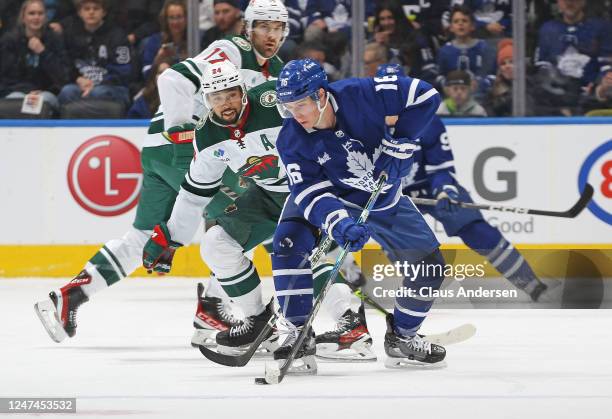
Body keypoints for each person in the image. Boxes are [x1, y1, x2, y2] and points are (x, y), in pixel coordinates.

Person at [34, 0, 290, 349]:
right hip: (183, 152)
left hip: (163, 153)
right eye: (263, 26)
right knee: (245, 220)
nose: (270, 35)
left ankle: (70, 296)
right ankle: (213, 307)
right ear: (247, 26)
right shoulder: (231, 49)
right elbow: (172, 79)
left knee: (145, 237)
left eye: (277, 28)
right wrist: (184, 144)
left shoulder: (274, 69)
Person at [270, 58, 448, 373]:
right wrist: (338, 223)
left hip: (382, 199)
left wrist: (402, 141)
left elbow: (426, 95)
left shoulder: (361, 93)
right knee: (287, 242)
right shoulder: (291, 139)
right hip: (332, 197)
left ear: (321, 95)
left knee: (430, 267)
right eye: (287, 108)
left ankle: (402, 337)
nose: (295, 116)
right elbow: (310, 193)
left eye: (300, 105)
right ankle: (298, 334)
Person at [380, 63, 548, 302]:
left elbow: (441, 168)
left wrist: (445, 189)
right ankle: (418, 299)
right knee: (400, 245)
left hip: (428, 188)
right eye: (385, 93)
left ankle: (532, 285)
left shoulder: (427, 121)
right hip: (389, 196)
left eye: (397, 92)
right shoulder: (362, 126)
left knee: (477, 230)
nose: (391, 99)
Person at [533, 0, 612, 115]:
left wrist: (601, 86)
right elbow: (542, 68)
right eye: (565, 0)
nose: (569, 3)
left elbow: (606, 66)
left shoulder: (601, 28)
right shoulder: (548, 29)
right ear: (558, 2)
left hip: (589, 98)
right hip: (555, 99)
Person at [57, 0, 132, 109]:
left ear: (104, 12)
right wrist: (78, 79)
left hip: (112, 87)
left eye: (96, 9)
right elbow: (65, 65)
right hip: (81, 84)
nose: (91, 12)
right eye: (87, 9)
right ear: (79, 13)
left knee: (98, 93)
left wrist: (99, 83)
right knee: (67, 92)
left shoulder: (118, 36)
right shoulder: (70, 35)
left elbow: (124, 70)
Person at [0, 0, 69, 113]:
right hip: (16, 91)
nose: (36, 17)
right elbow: (6, 76)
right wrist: (28, 91)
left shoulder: (54, 39)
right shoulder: (10, 41)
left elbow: (63, 76)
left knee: (41, 101)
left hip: (46, 92)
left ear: (45, 17)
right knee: (15, 100)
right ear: (23, 17)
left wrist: (43, 52)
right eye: (32, 13)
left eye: (40, 13)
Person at [436, 5, 496, 100]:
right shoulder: (445, 51)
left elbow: (492, 75)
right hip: (451, 100)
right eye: (456, 21)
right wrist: (448, 86)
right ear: (451, 27)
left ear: (472, 26)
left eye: (464, 21)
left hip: (480, 99)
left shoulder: (484, 48)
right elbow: (439, 76)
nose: (460, 24)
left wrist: (480, 84)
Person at [370, 0, 437, 84]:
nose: (386, 23)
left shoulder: (418, 39)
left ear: (398, 18)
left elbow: (430, 71)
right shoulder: (375, 42)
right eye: (382, 19)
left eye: (390, 18)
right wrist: (379, 47)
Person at [141, 0, 188, 80]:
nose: (175, 22)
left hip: (188, 88)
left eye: (179, 17)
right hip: (159, 89)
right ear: (166, 20)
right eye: (171, 17)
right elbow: (145, 75)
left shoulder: (194, 40)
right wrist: (158, 59)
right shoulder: (155, 41)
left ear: (186, 18)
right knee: (163, 67)